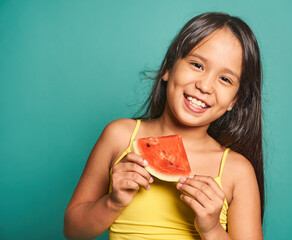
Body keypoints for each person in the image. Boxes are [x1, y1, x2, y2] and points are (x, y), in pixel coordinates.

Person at [64, 12, 264, 240]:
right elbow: (73, 230)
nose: (205, 85)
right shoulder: (119, 137)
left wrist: (211, 228)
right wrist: (113, 201)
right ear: (167, 68)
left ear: (234, 101)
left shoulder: (237, 171)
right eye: (197, 65)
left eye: (225, 79)